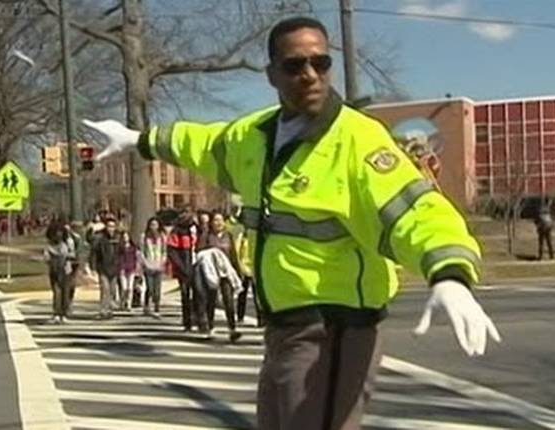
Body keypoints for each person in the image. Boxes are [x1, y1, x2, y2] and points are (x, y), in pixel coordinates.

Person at [85, 16, 501, 430]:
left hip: (336, 325)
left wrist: (449, 272)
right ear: (272, 74)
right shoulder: (253, 136)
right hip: (284, 325)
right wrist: (138, 140)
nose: (310, 74)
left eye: (321, 63)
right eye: (295, 65)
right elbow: (202, 144)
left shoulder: (357, 140)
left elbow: (415, 210)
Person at [195, 211, 243, 342]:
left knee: (229, 301)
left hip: (225, 272)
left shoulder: (228, 236)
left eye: (220, 220)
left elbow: (233, 255)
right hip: (211, 273)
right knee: (211, 300)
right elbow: (199, 252)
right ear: (211, 222)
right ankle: (210, 327)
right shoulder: (207, 236)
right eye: (215, 220)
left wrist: (238, 272)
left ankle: (232, 329)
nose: (218, 223)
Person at [167, 210, 198, 331]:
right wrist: (182, 268)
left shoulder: (198, 230)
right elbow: (172, 251)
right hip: (184, 268)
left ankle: (199, 318)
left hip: (198, 265)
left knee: (199, 294)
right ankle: (187, 321)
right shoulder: (177, 231)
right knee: (185, 295)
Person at [44, 221, 74, 324]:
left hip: (65, 270)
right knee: (58, 293)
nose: (58, 235)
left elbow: (72, 254)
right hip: (56, 271)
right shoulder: (50, 246)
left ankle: (62, 313)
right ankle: (58, 313)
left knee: (64, 292)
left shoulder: (66, 243)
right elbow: (46, 258)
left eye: (60, 232)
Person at [89, 219, 119, 319]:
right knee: (105, 289)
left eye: (113, 226)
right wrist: (93, 267)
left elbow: (121, 253)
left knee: (112, 290)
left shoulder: (118, 239)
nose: (111, 229)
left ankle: (109, 310)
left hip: (114, 268)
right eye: (109, 226)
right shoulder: (100, 239)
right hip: (103, 268)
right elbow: (94, 253)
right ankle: (103, 310)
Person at [140, 217, 167, 317]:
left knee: (157, 289)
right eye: (152, 225)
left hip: (158, 265)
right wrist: (145, 263)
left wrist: (163, 261)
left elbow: (164, 250)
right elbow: (142, 251)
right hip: (148, 265)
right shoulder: (144, 236)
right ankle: (147, 305)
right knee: (150, 288)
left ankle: (157, 308)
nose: (153, 227)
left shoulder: (162, 236)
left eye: (155, 225)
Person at [117, 230, 139, 311]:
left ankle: (129, 304)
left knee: (130, 288)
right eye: (124, 237)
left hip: (131, 269)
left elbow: (136, 258)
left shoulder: (133, 247)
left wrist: (137, 268)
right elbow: (119, 259)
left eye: (127, 236)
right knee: (124, 288)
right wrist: (120, 268)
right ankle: (122, 303)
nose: (125, 238)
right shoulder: (120, 247)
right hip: (122, 269)